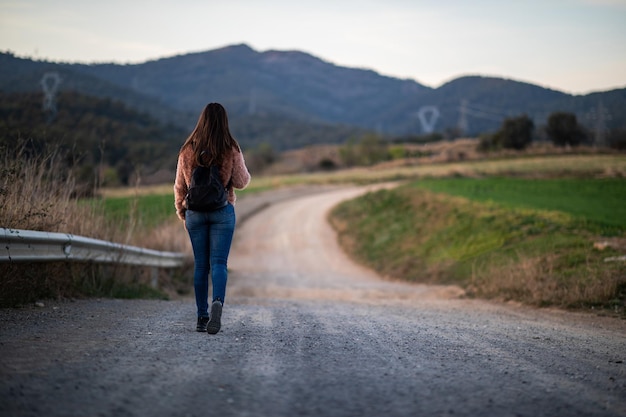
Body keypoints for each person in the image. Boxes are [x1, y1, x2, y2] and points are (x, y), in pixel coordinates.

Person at [174, 102, 251, 334]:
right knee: (219, 263)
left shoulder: (188, 149)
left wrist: (182, 211)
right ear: (224, 122)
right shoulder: (230, 147)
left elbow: (180, 186)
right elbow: (241, 182)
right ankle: (217, 301)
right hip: (222, 211)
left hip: (195, 214)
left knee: (201, 266)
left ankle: (201, 317)